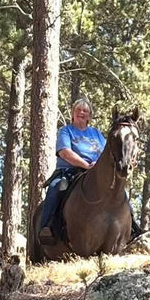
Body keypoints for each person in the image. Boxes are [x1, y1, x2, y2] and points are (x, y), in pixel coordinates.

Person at [37, 98, 106, 244]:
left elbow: (107, 153)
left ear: (89, 116)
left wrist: (99, 165)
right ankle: (47, 226)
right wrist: (85, 165)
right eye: (78, 110)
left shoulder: (96, 133)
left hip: (96, 173)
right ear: (72, 114)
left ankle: (132, 227)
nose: (81, 112)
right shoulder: (66, 131)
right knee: (55, 187)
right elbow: (65, 152)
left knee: (120, 192)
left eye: (85, 110)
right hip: (69, 172)